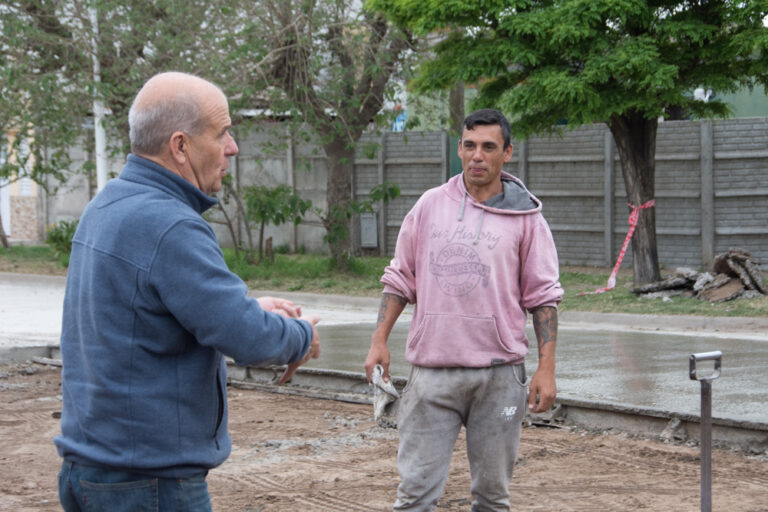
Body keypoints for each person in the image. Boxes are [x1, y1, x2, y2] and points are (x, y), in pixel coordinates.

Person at [54, 71, 320, 512]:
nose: (232, 147)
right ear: (180, 146)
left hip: (92, 471)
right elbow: (248, 339)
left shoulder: (108, 204)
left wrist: (251, 308)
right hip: (148, 484)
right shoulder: (171, 224)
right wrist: (302, 337)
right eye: (222, 133)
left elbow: (154, 313)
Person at [364, 108, 563, 511]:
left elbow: (542, 296)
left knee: (492, 497)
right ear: (459, 148)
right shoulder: (429, 206)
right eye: (469, 146)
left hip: (499, 377)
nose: (477, 156)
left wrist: (546, 368)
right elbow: (400, 279)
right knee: (415, 495)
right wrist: (378, 340)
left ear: (507, 153)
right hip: (432, 376)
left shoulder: (526, 218)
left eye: (489, 147)